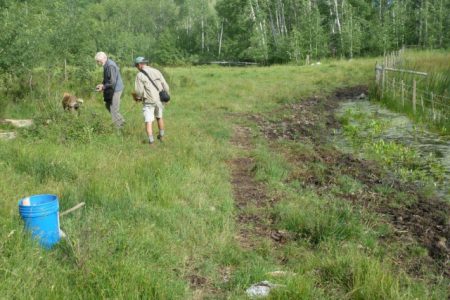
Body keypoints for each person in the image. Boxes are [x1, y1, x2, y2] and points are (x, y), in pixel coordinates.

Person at [133, 56, 170, 146]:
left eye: (136, 66)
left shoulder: (140, 75)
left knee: (148, 121)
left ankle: (151, 142)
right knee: (159, 117)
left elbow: (139, 91)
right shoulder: (157, 71)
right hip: (160, 99)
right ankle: (161, 137)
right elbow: (165, 85)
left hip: (149, 101)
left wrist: (138, 98)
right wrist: (167, 97)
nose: (136, 68)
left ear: (139, 65)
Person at [95, 52, 125, 128]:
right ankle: (122, 122)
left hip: (116, 89)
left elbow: (112, 82)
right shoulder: (106, 64)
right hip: (112, 88)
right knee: (108, 105)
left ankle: (120, 127)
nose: (98, 63)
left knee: (113, 109)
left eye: (99, 61)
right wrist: (102, 84)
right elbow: (107, 78)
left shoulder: (110, 65)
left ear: (104, 58)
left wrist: (103, 87)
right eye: (97, 61)